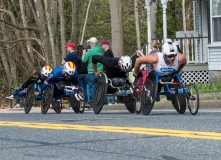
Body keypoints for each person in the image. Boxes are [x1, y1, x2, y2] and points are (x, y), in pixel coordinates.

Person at [82, 37, 103, 108]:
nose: (88, 44)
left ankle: (92, 103)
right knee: (100, 87)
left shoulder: (90, 51)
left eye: (89, 43)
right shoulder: (101, 51)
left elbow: (84, 60)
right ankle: (101, 101)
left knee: (91, 87)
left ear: (91, 43)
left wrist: (84, 54)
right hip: (100, 72)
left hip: (92, 71)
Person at [100, 40, 115, 105]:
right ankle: (109, 100)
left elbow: (109, 62)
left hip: (108, 71)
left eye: (102, 45)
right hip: (108, 70)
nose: (102, 46)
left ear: (106, 45)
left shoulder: (108, 53)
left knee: (109, 85)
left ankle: (111, 101)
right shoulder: (108, 52)